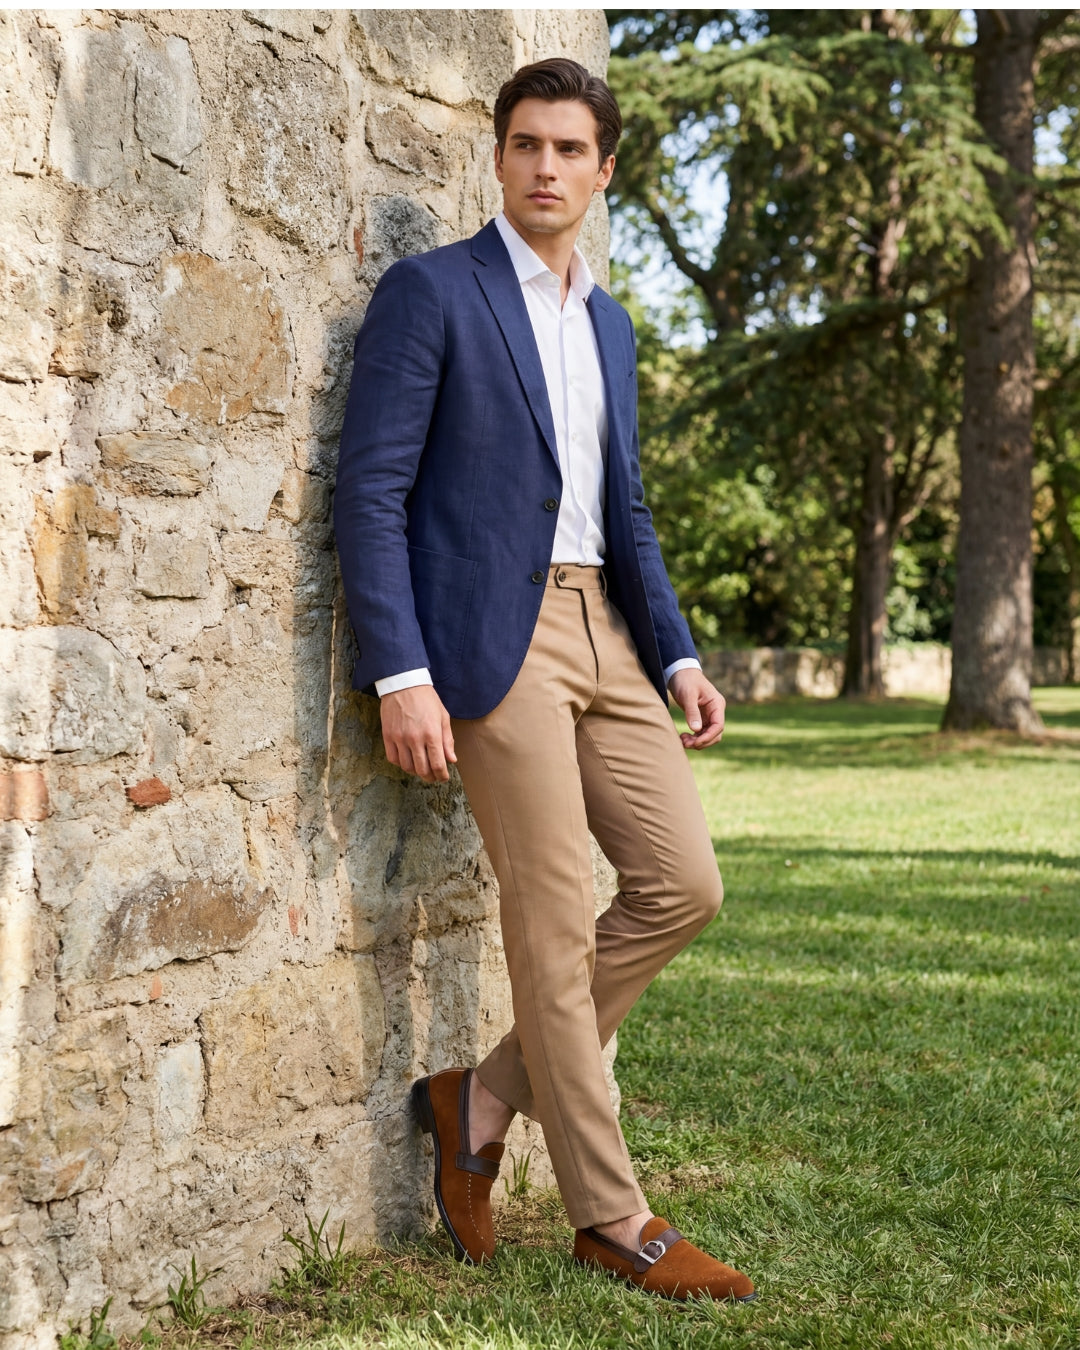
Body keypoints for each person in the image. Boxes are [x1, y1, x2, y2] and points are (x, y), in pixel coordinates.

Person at [334, 57, 755, 1304]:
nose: (546, 168)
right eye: (526, 144)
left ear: (603, 170)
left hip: (604, 628)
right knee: (557, 920)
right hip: (490, 641)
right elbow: (371, 491)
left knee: (683, 886)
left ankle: (480, 1097)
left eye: (571, 149)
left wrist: (676, 651)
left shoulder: (610, 324)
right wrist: (401, 671)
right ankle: (612, 1218)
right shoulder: (433, 292)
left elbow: (628, 508)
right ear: (499, 157)